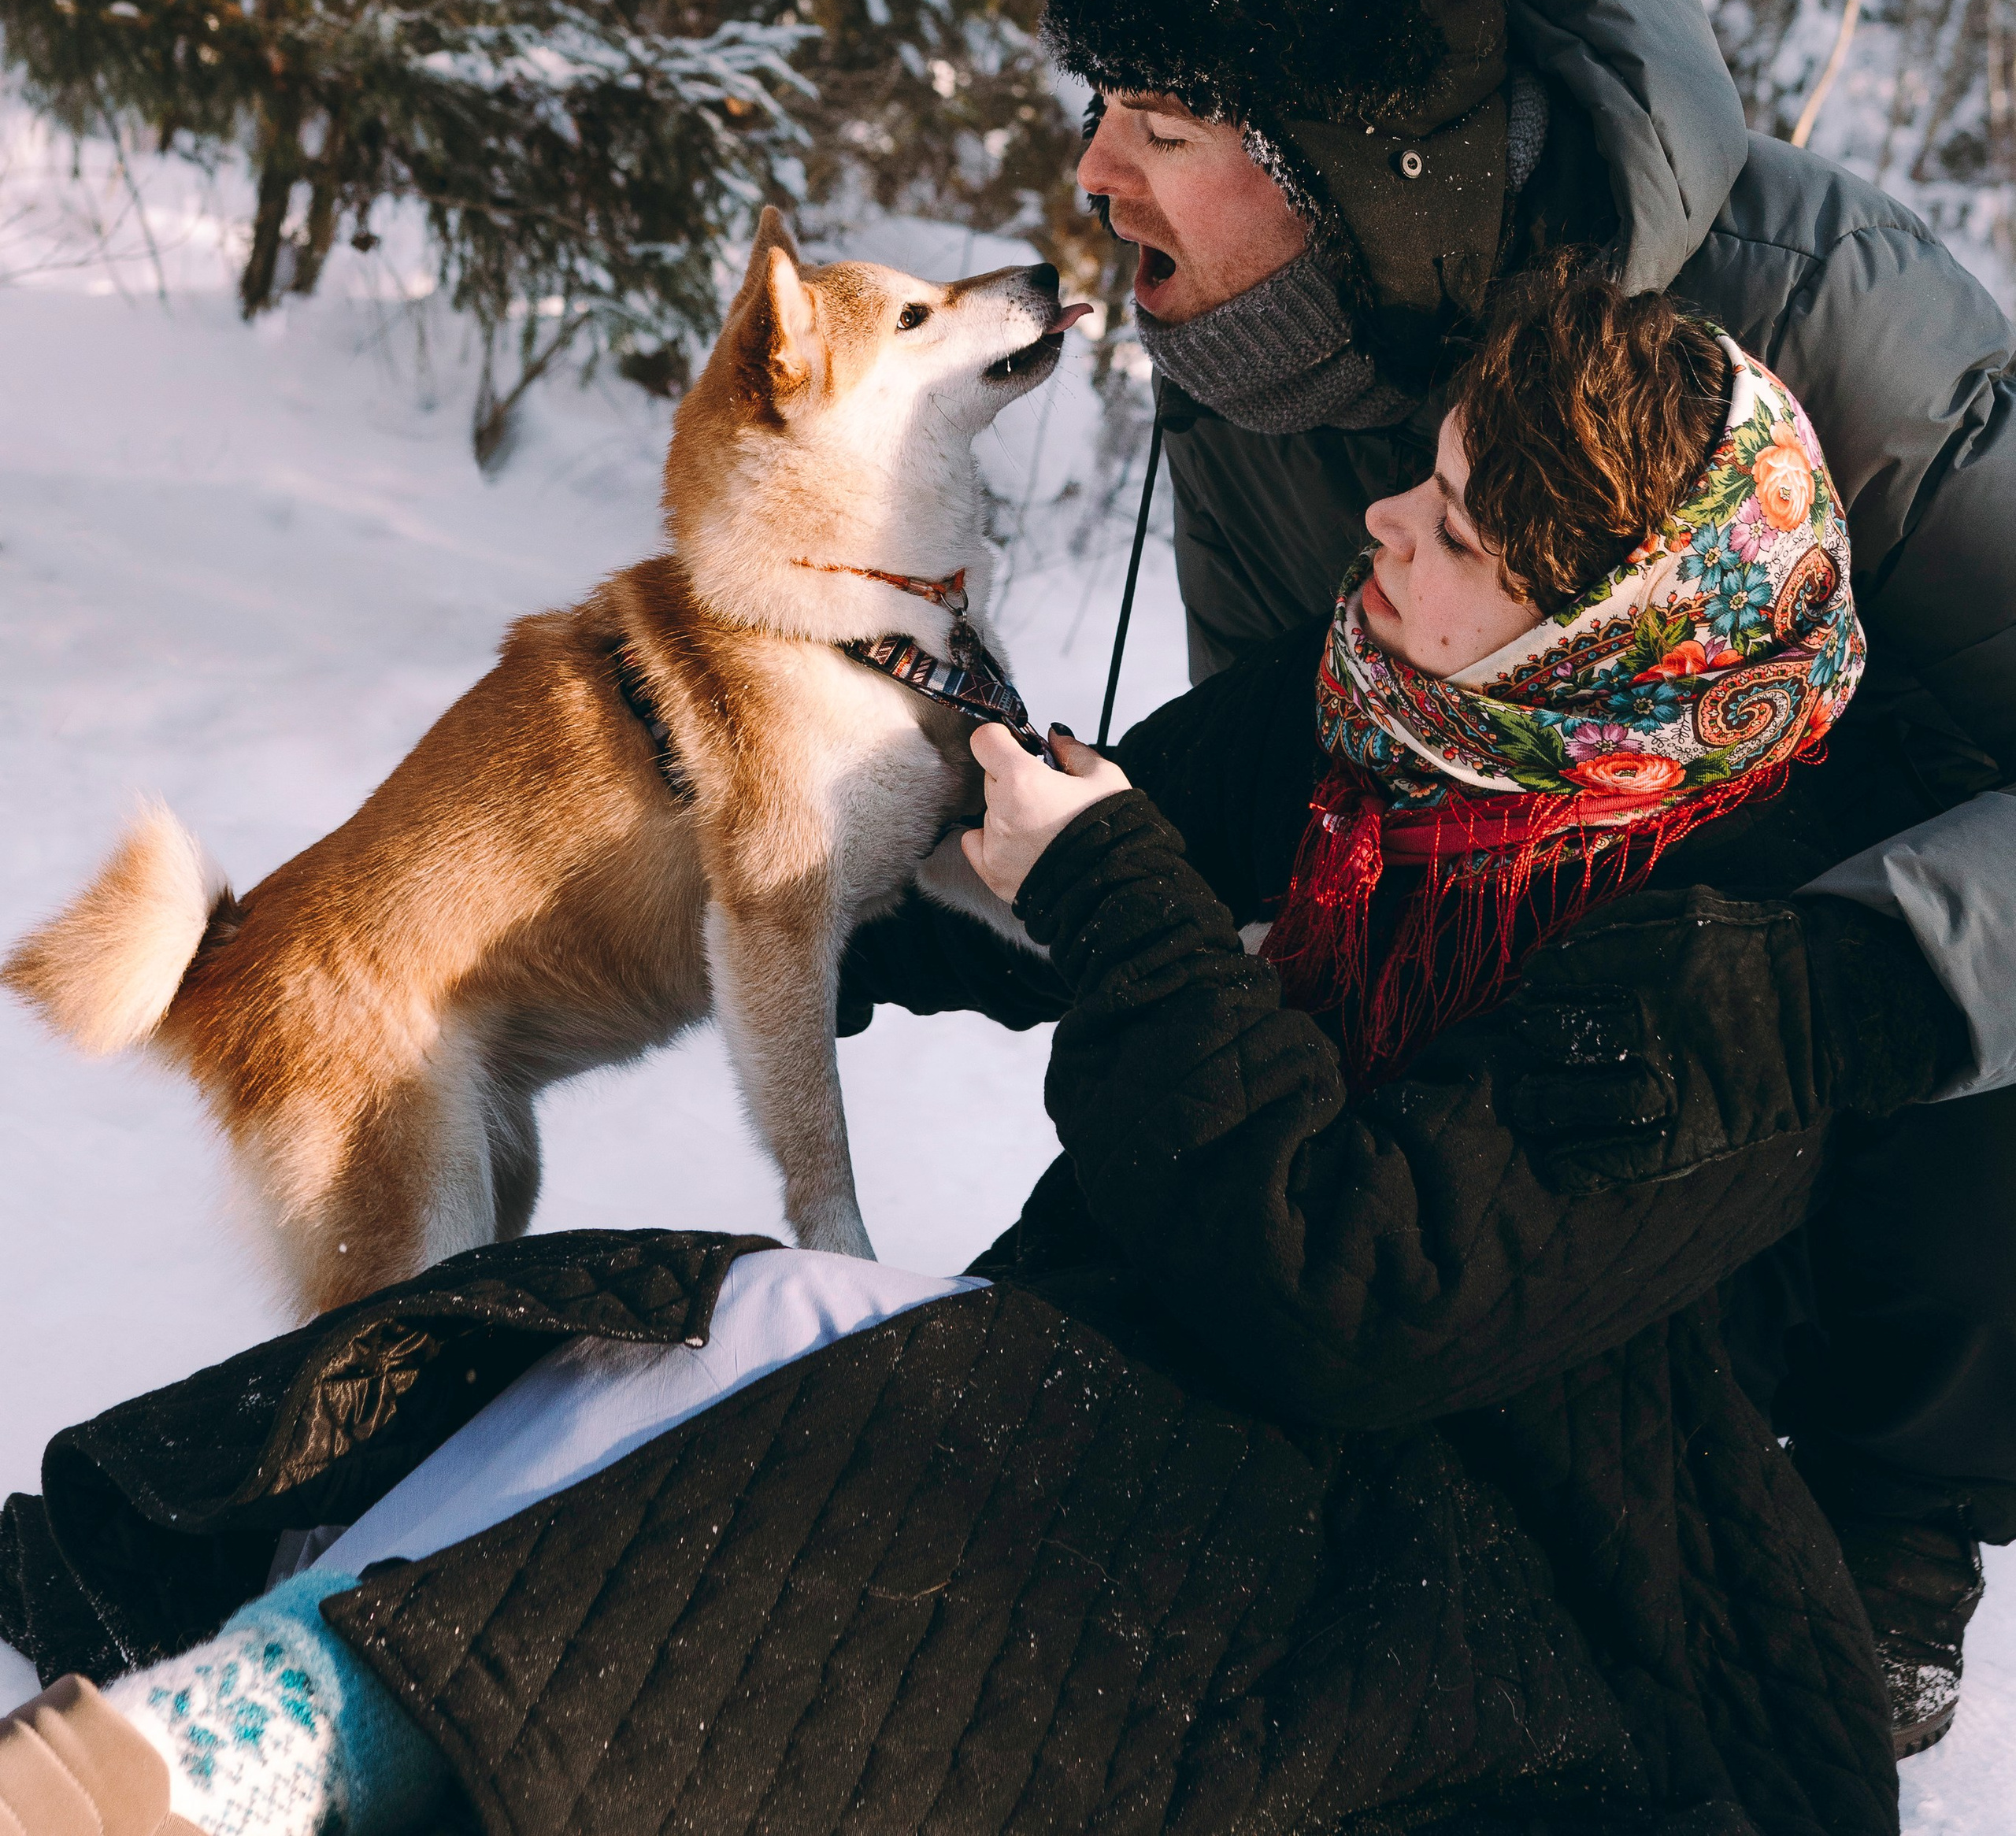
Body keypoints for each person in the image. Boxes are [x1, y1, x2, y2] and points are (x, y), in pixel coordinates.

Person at [0, 273, 1971, 1836]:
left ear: (1595, 636)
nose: (1383, 515)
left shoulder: (1735, 959)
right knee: (706, 1322)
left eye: (1449, 525)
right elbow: (1038, 864)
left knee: (862, 1464)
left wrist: (1116, 897)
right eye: (1421, 469)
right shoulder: (1384, 711)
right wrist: (693, 857)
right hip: (1198, 1356)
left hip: (1504, 1559)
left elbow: (1359, 1287)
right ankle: (233, 1668)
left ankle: (260, 1748)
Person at [1013, 0, 2016, 1754]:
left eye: (1158, 117)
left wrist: (1846, 983)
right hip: (1543, 965)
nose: (1092, 169)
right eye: (1097, 104)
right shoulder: (1255, 353)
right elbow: (1302, 762)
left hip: (1868, 953)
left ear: (1342, 161)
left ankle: (1894, 1523)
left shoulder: (1823, 310)